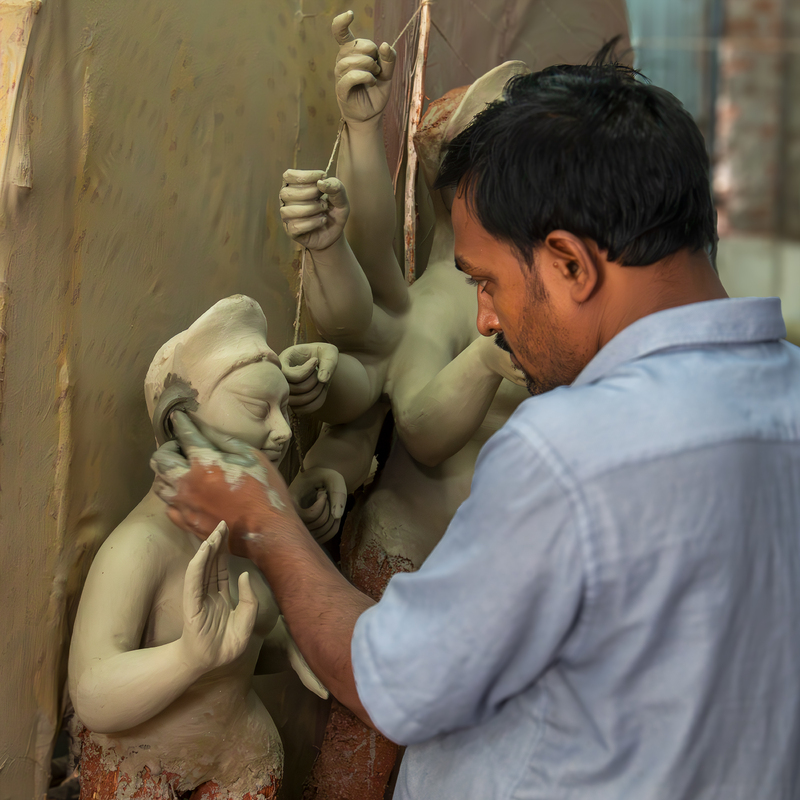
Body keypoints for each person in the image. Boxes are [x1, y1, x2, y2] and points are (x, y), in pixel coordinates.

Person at [151, 59, 800, 799]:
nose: (486, 318)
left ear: (570, 263)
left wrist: (265, 523)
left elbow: (395, 682)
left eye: (488, 281)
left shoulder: (570, 451)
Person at [69, 296, 327, 800]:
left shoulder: (248, 531)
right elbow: (92, 692)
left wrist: (292, 641)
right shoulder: (141, 545)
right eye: (258, 408)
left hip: (244, 764)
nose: (282, 432)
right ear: (180, 419)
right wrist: (187, 658)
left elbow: (236, 646)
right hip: (148, 771)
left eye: (284, 410)